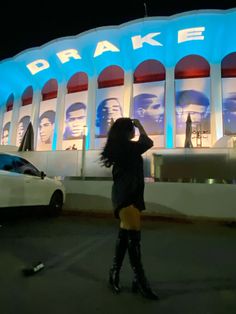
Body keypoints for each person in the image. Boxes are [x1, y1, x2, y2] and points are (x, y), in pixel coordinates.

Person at [100, 117, 158, 300]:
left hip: (127, 195)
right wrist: (140, 125)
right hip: (127, 198)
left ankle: (114, 273)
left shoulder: (121, 148)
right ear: (127, 131)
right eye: (131, 128)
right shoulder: (128, 148)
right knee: (134, 240)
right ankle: (140, 281)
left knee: (125, 236)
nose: (134, 130)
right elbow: (148, 141)